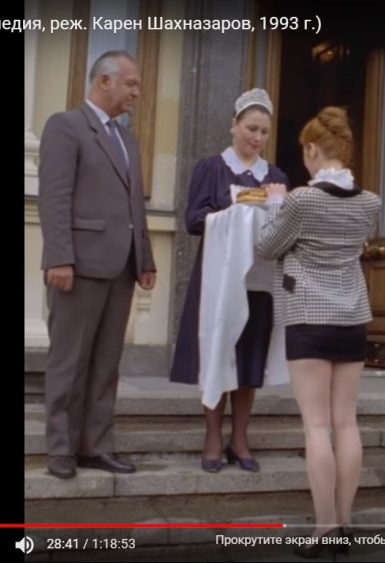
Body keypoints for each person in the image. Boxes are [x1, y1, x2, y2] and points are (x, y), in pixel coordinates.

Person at [256, 106, 380, 558]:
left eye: (303, 152)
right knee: (346, 422)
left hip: (309, 317)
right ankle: (345, 523)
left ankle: (324, 528)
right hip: (352, 319)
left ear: (312, 149)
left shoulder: (300, 200)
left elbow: (267, 246)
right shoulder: (371, 202)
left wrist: (275, 202)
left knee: (317, 425)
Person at [38, 50, 157, 479]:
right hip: (78, 267)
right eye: (131, 84)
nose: (136, 93)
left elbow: (135, 205)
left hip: (121, 268)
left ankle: (96, 446)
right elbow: (54, 197)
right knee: (69, 361)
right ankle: (61, 449)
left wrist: (146, 258)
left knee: (106, 364)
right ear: (104, 81)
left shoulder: (128, 140)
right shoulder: (65, 126)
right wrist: (59, 257)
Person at [169, 88, 289, 473]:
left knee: (250, 357)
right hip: (219, 279)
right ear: (234, 125)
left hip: (258, 279)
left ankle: (240, 437)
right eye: (251, 128)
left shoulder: (276, 177)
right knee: (219, 353)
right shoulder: (212, 168)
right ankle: (211, 436)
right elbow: (193, 220)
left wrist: (273, 207)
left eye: (264, 131)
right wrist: (235, 210)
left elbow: (283, 228)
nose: (257, 137)